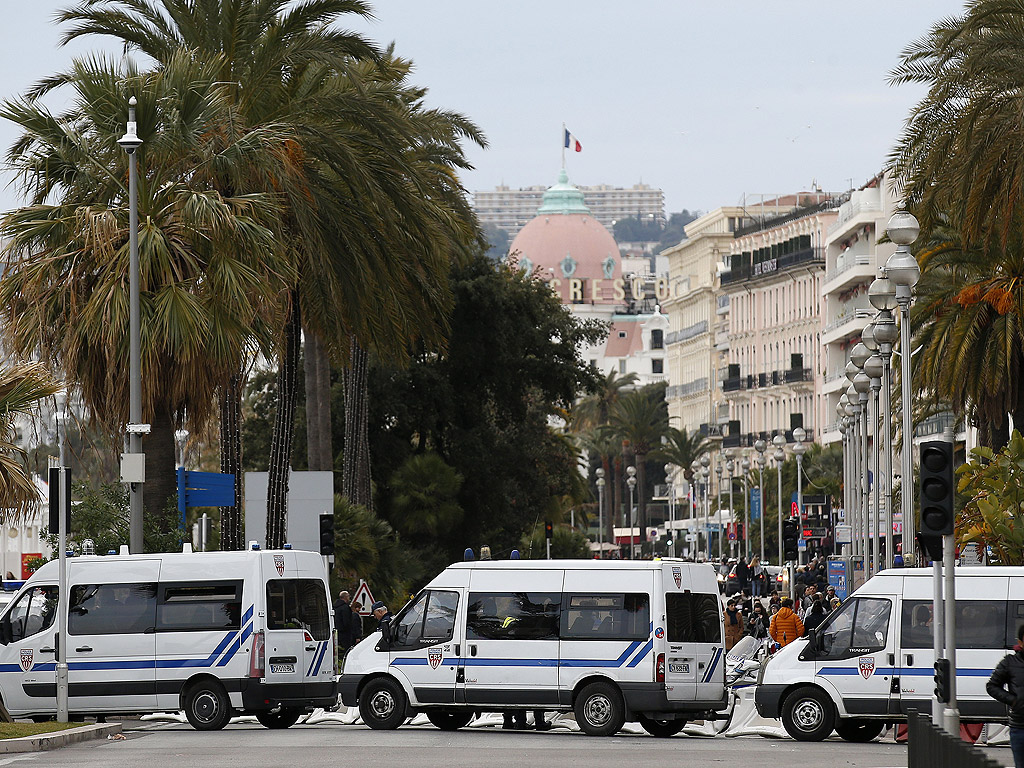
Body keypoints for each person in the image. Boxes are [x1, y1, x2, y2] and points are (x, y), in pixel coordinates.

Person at [987, 623, 1024, 768]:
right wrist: (1013, 701)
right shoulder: (1010, 663)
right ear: (1020, 642)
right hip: (1020, 727)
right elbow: (992, 686)